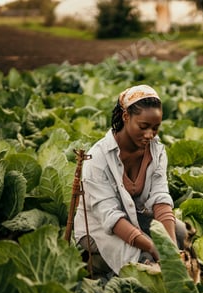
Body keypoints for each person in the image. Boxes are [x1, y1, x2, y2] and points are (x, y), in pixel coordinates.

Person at [73, 84, 186, 275]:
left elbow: (160, 198)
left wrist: (171, 247)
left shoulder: (156, 151)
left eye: (155, 128)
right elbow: (110, 217)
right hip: (99, 226)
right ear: (126, 117)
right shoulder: (97, 158)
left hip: (136, 218)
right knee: (142, 257)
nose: (150, 135)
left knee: (180, 234)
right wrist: (151, 247)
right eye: (143, 127)